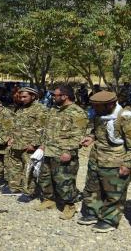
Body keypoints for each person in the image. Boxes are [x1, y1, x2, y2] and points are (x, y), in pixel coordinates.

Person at [78, 91, 131, 233]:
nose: (94, 109)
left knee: (114, 194)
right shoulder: (100, 115)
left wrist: (128, 164)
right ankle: (93, 212)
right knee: (92, 188)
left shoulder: (126, 118)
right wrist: (91, 137)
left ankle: (109, 220)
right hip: (96, 158)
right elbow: (98, 131)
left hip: (115, 163)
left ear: (110, 104)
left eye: (97, 106)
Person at [37, 85, 88, 219]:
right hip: (49, 150)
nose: (53, 97)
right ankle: (49, 200)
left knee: (64, 181)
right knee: (45, 178)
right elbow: (48, 130)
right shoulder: (54, 110)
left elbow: (78, 135)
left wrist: (68, 151)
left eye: (56, 95)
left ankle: (69, 205)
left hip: (63, 153)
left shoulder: (78, 112)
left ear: (65, 96)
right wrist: (43, 145)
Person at [8, 87, 47, 198]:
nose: (22, 99)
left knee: (29, 169)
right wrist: (11, 138)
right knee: (16, 167)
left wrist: (34, 144)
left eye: (25, 97)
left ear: (33, 96)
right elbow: (15, 125)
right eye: (20, 97)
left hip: (29, 145)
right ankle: (16, 188)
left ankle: (30, 191)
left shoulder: (40, 109)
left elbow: (42, 129)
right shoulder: (20, 108)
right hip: (17, 143)